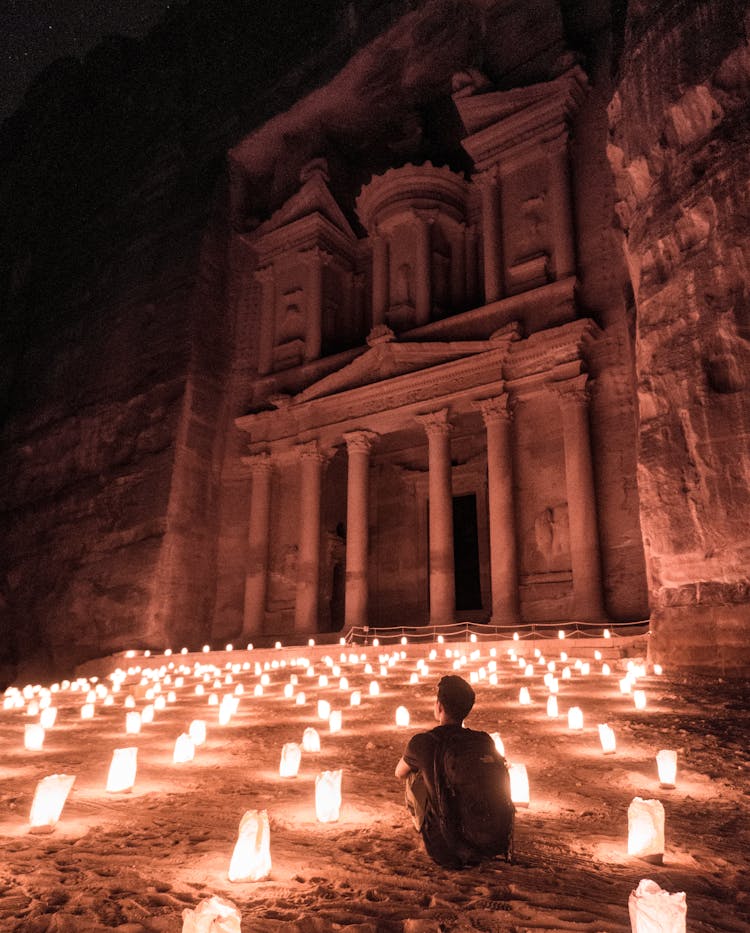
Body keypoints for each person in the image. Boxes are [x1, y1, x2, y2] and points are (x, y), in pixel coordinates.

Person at [395, 673, 507, 868]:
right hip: (490, 840)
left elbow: (399, 772)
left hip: (446, 848)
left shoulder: (423, 742)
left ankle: (430, 825)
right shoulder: (484, 740)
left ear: (439, 706)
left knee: (413, 774)